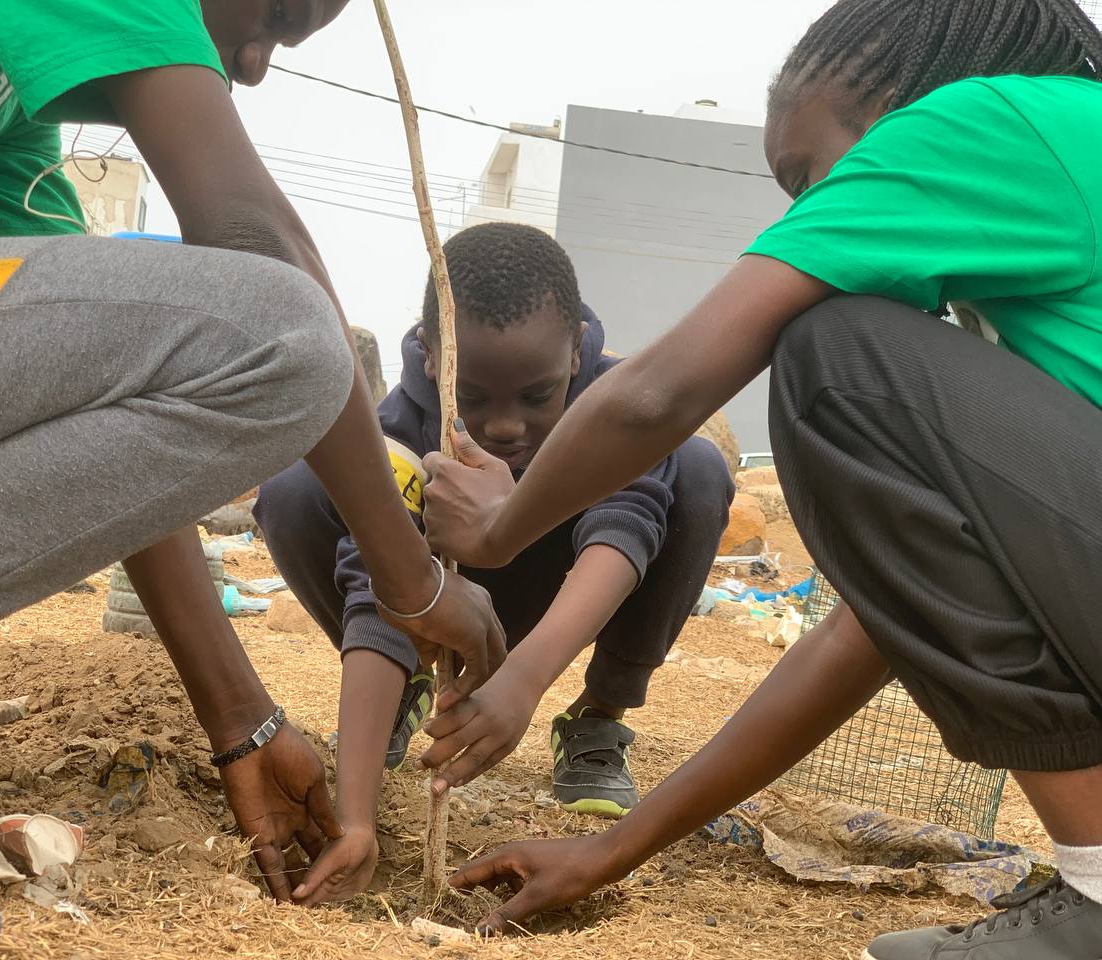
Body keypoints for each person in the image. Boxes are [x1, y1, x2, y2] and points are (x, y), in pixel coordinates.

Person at [421, 1, 1102, 956]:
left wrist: (498, 530)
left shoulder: (996, 118)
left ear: (898, 112)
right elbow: (872, 625)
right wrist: (618, 845)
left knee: (837, 353)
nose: (805, 214)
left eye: (806, 177)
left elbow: (659, 394)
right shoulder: (1045, 272)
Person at [0, 0, 507, 942]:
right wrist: (412, 578)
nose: (259, 66)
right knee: (286, 335)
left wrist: (244, 722)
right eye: (274, 13)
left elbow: (105, 406)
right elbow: (257, 238)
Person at [253, 222, 732, 904]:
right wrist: (355, 820)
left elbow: (624, 532)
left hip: (571, 595)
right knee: (298, 487)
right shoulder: (398, 432)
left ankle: (598, 717)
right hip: (446, 601)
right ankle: (404, 686)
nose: (505, 426)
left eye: (535, 397)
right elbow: (375, 584)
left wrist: (524, 682)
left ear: (574, 356)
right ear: (430, 357)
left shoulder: (617, 400)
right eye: (474, 398)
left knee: (699, 468)